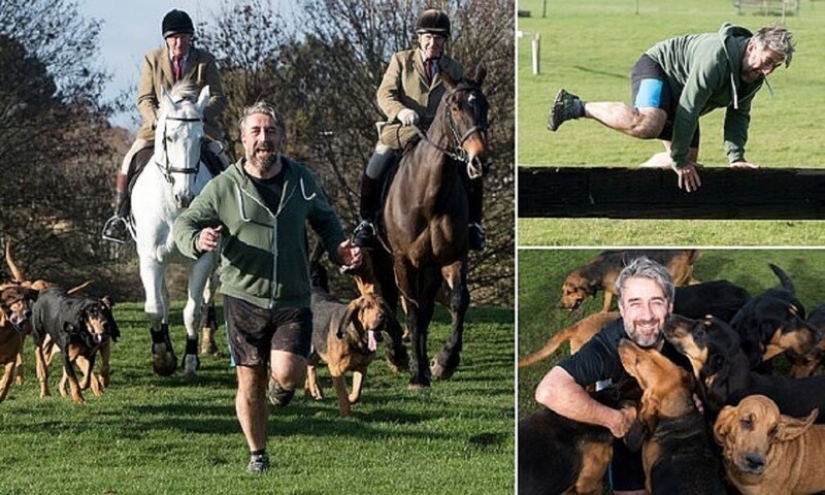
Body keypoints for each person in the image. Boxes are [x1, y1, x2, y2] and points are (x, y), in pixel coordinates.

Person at [172, 101, 362, 474]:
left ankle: (283, 386)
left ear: (282, 137)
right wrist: (197, 240)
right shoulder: (224, 186)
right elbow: (184, 224)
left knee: (289, 372)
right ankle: (258, 454)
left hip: (293, 296)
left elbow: (326, 220)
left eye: (271, 131)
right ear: (242, 139)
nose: (264, 139)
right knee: (250, 381)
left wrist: (340, 246)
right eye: (256, 132)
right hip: (243, 297)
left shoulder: (301, 179)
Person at [546, 23, 794, 193]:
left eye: (776, 65)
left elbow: (739, 114)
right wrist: (678, 157)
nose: (768, 71)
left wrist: (736, 158)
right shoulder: (716, 57)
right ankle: (575, 106)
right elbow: (689, 105)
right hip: (660, 69)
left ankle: (628, 182)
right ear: (752, 46)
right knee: (648, 124)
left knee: (690, 166)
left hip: (685, 98)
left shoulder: (753, 75)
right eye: (768, 61)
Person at [534, 257, 692, 494]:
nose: (646, 315)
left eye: (656, 302)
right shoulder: (610, 344)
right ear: (622, 308)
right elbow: (549, 390)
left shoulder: (691, 332)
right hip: (631, 422)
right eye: (635, 303)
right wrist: (615, 420)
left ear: (669, 306)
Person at [351, 9, 486, 250]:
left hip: (440, 137)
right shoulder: (401, 60)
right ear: (420, 38)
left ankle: (474, 224)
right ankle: (367, 221)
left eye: (438, 38)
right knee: (376, 163)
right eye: (428, 37)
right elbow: (385, 94)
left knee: (471, 169)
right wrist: (401, 112)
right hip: (401, 131)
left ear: (444, 40)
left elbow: (460, 101)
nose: (433, 42)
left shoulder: (453, 68)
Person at [102, 9, 229, 243]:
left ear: (191, 37)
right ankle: (119, 216)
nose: (178, 42)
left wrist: (198, 115)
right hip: (158, 127)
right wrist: (158, 120)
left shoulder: (205, 60)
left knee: (222, 160)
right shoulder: (152, 59)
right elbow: (145, 98)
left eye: (183, 36)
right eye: (173, 37)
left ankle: (229, 217)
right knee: (129, 159)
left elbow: (218, 98)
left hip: (197, 127)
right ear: (166, 39)